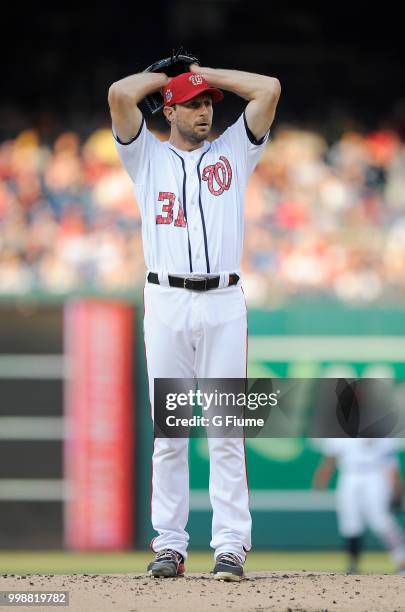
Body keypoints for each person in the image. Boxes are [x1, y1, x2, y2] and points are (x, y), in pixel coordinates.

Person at [108, 63, 280, 580]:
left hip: (223, 300)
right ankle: (171, 545)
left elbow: (268, 89)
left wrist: (204, 74)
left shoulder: (233, 151)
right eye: (195, 103)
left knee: (227, 430)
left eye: (209, 103)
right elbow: (119, 94)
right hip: (166, 300)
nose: (206, 110)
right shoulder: (145, 157)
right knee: (171, 432)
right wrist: (159, 79)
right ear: (169, 108)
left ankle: (230, 545)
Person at [313, 438, 405, 575]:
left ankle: (401, 559)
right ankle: (353, 566)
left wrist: (397, 489)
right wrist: (322, 477)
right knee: (350, 523)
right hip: (349, 475)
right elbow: (331, 458)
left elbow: (390, 463)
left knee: (380, 520)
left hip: (375, 474)